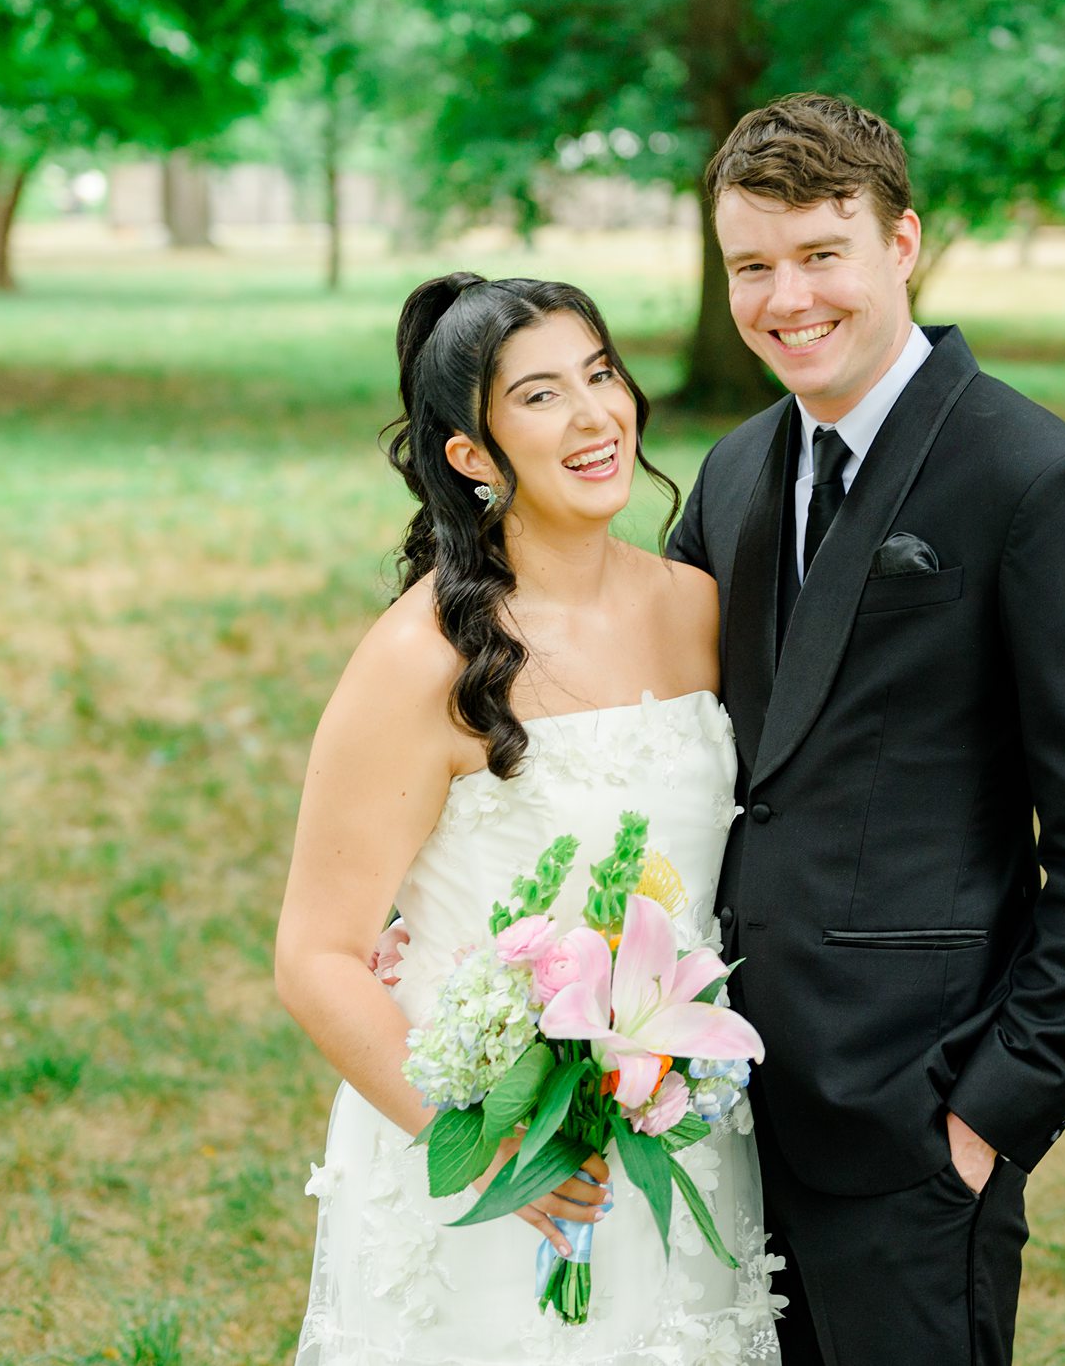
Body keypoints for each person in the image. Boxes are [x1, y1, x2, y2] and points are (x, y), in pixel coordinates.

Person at [665, 93, 1065, 1366]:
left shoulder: (1039, 484)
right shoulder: (732, 471)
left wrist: (997, 1106)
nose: (787, 300)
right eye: (752, 266)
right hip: (715, 1109)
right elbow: (659, 733)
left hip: (915, 1113)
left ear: (902, 245)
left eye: (821, 254)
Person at [274, 274, 783, 1364]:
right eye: (543, 396)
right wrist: (500, 1153)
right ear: (471, 453)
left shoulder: (698, 609)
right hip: (487, 1150)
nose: (597, 416)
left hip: (681, 1137)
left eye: (601, 374)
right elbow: (315, 955)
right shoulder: (426, 659)